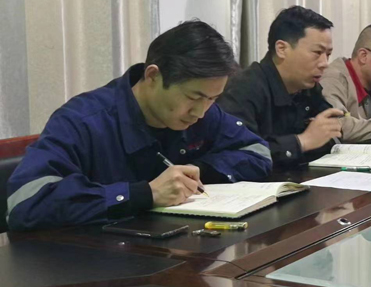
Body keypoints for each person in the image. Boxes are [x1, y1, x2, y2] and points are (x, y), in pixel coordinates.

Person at [6, 21, 273, 231]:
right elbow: (25, 202)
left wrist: (197, 173)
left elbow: (258, 152)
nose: (201, 113)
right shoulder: (84, 121)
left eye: (212, 99)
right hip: (89, 268)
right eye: (193, 97)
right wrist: (143, 194)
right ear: (153, 76)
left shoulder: (204, 114)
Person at [217, 6, 344, 169]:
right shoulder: (244, 89)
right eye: (317, 52)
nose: (324, 63)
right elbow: (237, 155)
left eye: (328, 54)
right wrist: (302, 141)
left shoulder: (308, 86)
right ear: (282, 49)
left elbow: (329, 131)